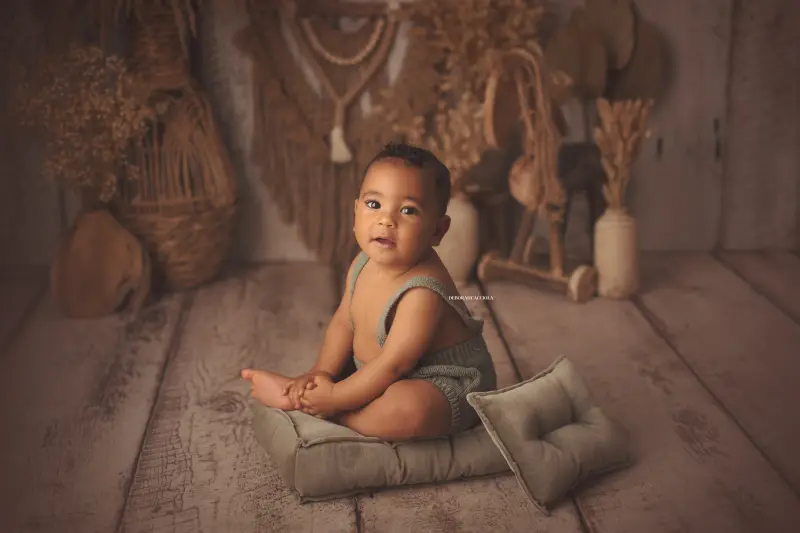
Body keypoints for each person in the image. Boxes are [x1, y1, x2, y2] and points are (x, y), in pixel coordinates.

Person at [240, 142, 497, 440]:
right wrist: (319, 374)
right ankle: (316, 398)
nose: (386, 220)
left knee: (411, 409)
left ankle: (331, 415)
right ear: (356, 211)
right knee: (345, 371)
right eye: (374, 205)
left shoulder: (423, 292)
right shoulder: (363, 262)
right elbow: (343, 322)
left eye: (408, 210)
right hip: (381, 373)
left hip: (441, 382)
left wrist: (335, 398)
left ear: (437, 231)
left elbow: (395, 364)